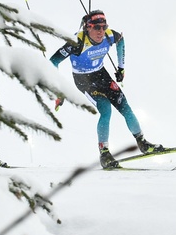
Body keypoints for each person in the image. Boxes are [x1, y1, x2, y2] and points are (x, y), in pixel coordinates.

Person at [49, 10, 163, 169]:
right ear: (87, 27)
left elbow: (121, 41)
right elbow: (53, 61)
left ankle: (143, 143)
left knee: (125, 107)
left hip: (102, 75)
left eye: (104, 27)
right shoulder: (76, 42)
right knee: (106, 110)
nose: (101, 31)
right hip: (84, 80)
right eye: (96, 27)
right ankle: (104, 154)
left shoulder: (109, 36)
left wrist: (121, 68)